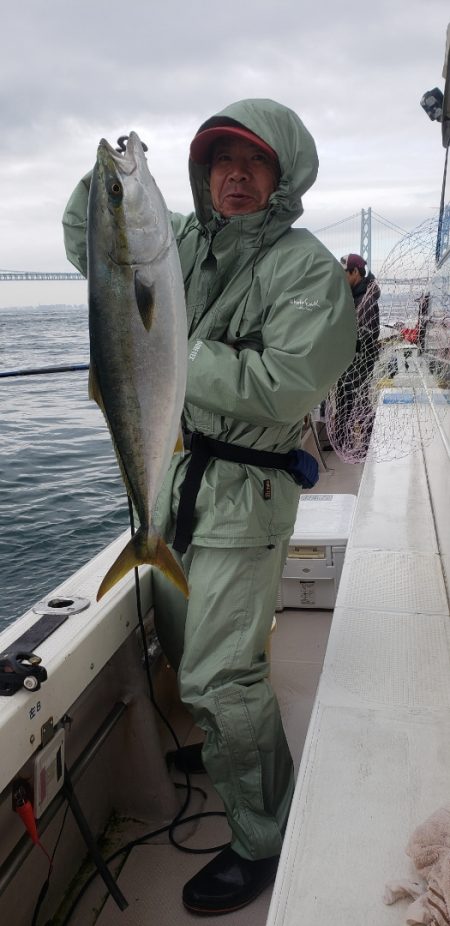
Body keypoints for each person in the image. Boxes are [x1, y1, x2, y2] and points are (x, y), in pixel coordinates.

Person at [62, 98, 357, 916]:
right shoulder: (179, 239)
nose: (234, 175)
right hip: (171, 483)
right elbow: (91, 244)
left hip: (246, 494)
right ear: (194, 175)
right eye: (219, 160)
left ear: (283, 175)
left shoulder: (306, 268)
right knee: (187, 643)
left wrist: (168, 348)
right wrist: (108, 185)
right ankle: (231, 753)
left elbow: (286, 383)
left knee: (224, 675)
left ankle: (264, 835)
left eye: (253, 162)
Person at [330, 253, 380, 452]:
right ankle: (346, 444)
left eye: (344, 273)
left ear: (355, 272)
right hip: (349, 362)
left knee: (358, 404)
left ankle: (364, 447)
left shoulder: (365, 300)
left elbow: (365, 334)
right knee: (346, 405)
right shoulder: (355, 295)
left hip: (358, 364)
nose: (341, 277)